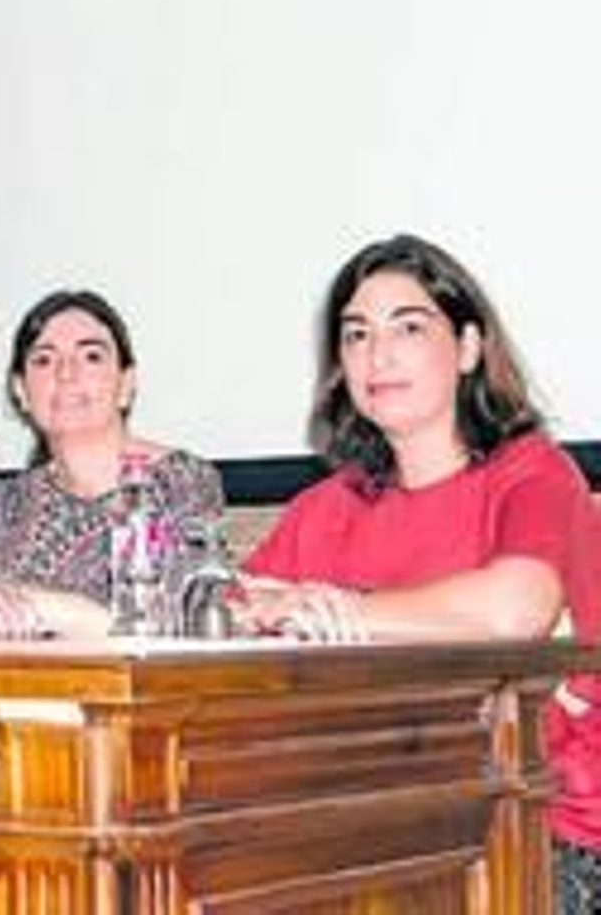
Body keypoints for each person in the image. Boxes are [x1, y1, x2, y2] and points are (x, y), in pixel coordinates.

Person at [230, 234, 601, 911]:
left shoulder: (533, 473)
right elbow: (227, 613)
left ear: (468, 347)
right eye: (356, 335)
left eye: (408, 327)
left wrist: (342, 608)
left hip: (543, 831)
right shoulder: (327, 507)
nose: (379, 354)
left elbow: (516, 609)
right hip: (378, 822)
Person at [0, 289, 224, 639]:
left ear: (126, 384)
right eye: (44, 360)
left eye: (91, 356)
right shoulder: (8, 505)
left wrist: (6, 600)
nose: (66, 372)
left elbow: (166, 623)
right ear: (21, 391)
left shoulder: (181, 480)